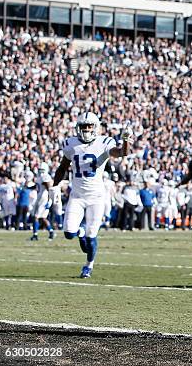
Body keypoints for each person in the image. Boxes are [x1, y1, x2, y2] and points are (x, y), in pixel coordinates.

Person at [52, 112, 131, 278]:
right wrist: (54, 185)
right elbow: (62, 167)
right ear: (78, 128)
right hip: (77, 196)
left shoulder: (104, 142)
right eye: (83, 126)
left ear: (96, 127)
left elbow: (121, 153)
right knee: (68, 233)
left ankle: (88, 265)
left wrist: (125, 140)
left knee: (91, 235)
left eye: (89, 126)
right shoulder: (70, 144)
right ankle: (79, 232)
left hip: (96, 197)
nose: (86, 129)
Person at [30, 162, 55, 240]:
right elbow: (37, 186)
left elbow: (49, 188)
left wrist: (50, 200)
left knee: (35, 216)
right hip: (40, 197)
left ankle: (35, 235)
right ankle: (51, 232)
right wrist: (28, 187)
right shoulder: (39, 177)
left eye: (42, 169)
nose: (40, 171)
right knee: (43, 217)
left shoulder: (46, 176)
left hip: (43, 198)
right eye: (39, 169)